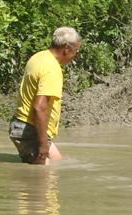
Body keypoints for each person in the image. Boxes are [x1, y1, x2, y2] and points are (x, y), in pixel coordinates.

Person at [9, 27, 81, 165]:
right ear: (66, 48)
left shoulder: (39, 57)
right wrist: (42, 145)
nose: (75, 55)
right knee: (44, 180)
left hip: (24, 125)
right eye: (75, 51)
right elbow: (39, 107)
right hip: (30, 130)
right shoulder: (51, 69)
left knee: (57, 163)